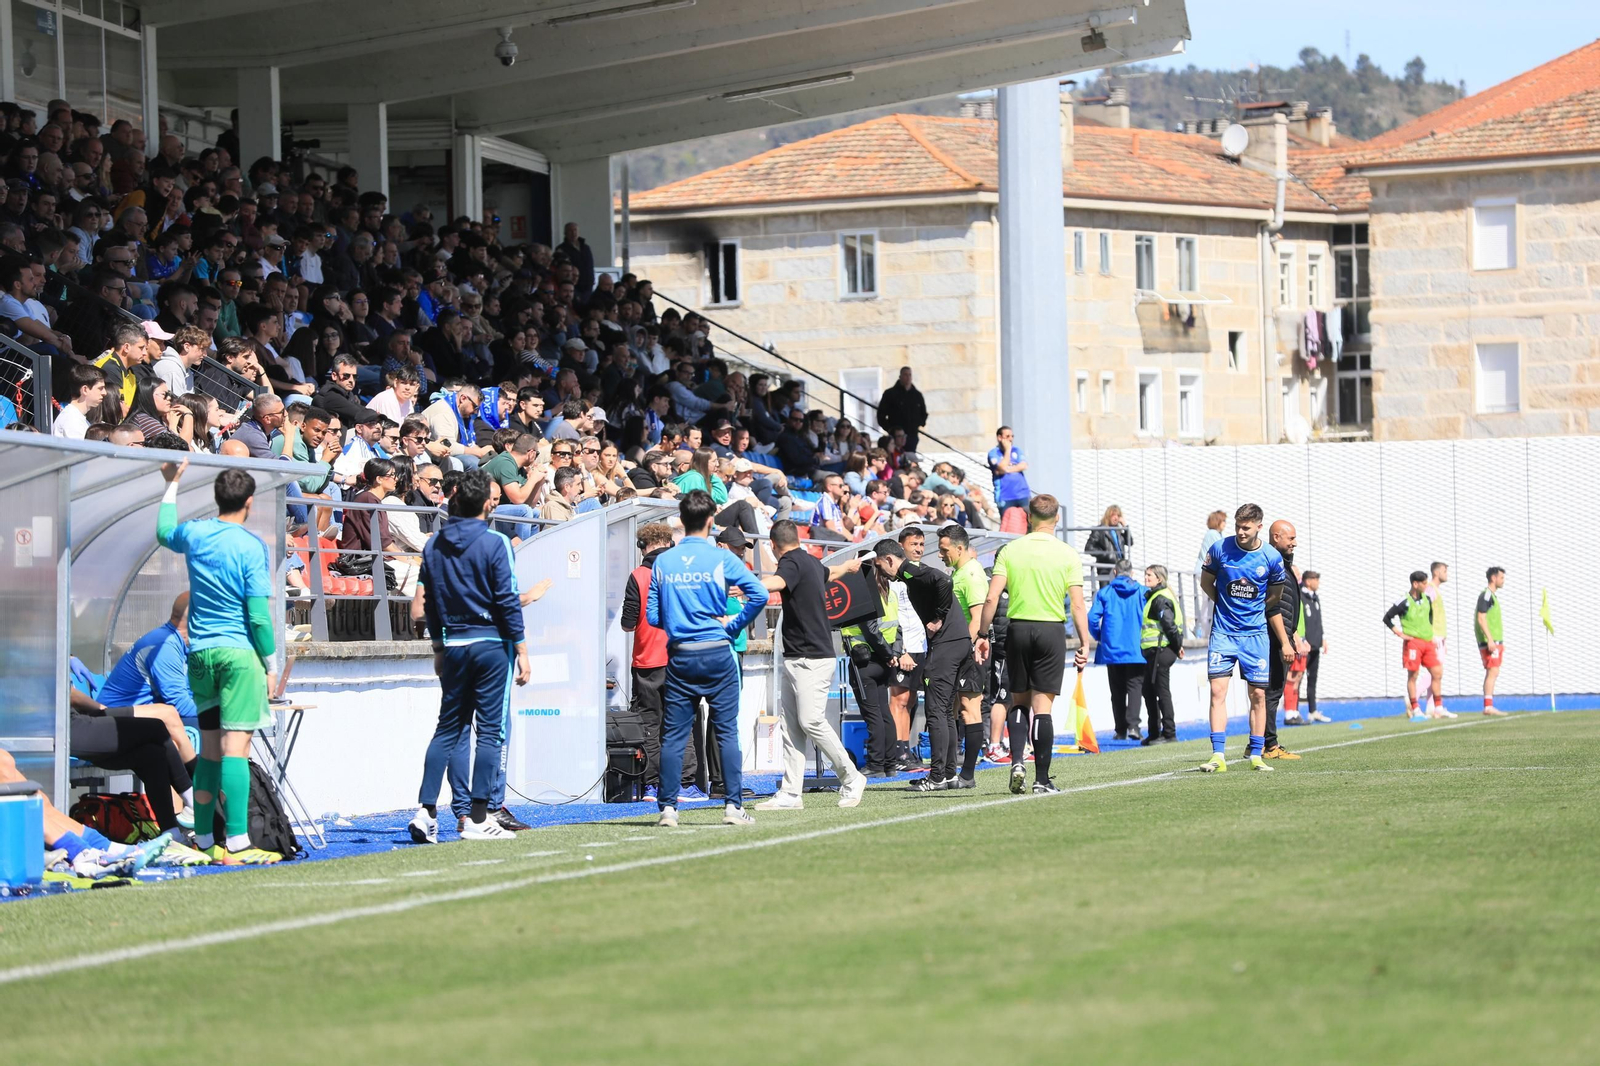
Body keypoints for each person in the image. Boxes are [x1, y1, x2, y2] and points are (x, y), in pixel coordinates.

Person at [155, 460, 282, 863]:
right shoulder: (250, 545)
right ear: (249, 502)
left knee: (209, 750)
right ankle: (240, 842)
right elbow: (259, 616)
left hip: (201, 655)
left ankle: (205, 838)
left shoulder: (195, 533)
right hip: (239, 655)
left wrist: (172, 484)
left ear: (216, 498)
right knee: (236, 750)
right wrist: (271, 663)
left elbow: (162, 532)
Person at [409, 469, 531, 844]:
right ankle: (478, 817)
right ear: (486, 503)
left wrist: (438, 647)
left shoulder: (434, 545)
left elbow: (427, 604)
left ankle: (426, 811)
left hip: (455, 644)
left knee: (447, 729)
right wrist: (523, 649)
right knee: (490, 732)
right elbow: (507, 600)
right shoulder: (496, 542)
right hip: (491, 644)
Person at [648, 490, 768, 828]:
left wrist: (678, 622)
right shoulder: (722, 558)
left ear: (681, 522)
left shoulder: (663, 561)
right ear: (712, 522)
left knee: (673, 735)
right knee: (727, 731)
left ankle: (668, 809)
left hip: (681, 655)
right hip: (717, 652)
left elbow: (653, 615)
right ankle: (732, 806)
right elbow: (758, 594)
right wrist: (733, 624)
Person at [979, 494, 1089, 794]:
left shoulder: (1011, 550)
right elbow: (1078, 606)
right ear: (1057, 519)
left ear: (1029, 518)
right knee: (1043, 708)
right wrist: (1085, 641)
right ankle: (1041, 779)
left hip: (1017, 629)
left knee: (1018, 701)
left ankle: (1016, 761)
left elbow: (991, 597)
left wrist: (981, 634)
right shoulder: (1067, 553)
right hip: (1050, 630)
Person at [754, 519, 868, 810]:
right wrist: (850, 568)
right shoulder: (811, 562)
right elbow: (834, 572)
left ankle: (852, 777)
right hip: (798, 657)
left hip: (810, 659)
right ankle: (791, 793)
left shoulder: (790, 562)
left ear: (773, 545)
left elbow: (777, 582)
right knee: (791, 728)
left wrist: (743, 586)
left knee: (810, 721)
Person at [1196, 503, 1293, 774]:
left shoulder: (1271, 558)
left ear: (1259, 527)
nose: (1240, 532)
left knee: (1259, 694)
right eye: (1238, 526)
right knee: (1217, 691)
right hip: (1223, 633)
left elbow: (1274, 596)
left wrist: (1255, 611)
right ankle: (1217, 755)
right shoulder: (1219, 549)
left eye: (1246, 528)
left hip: (1255, 635)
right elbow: (1206, 584)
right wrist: (1224, 605)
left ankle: (1256, 754)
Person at [882, 533, 973, 792]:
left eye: (880, 566)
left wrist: (939, 617)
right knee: (945, 711)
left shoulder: (909, 570)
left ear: (889, 559)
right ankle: (948, 774)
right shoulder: (909, 575)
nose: (881, 572)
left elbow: (944, 581)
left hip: (947, 645)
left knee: (935, 711)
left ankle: (936, 777)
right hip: (956, 642)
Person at [937, 524, 997, 788]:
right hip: (959, 649)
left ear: (959, 548)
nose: (940, 554)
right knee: (949, 711)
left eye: (943, 549)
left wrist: (961, 651)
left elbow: (976, 619)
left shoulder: (971, 574)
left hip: (969, 652)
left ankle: (968, 775)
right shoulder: (960, 572)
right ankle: (948, 772)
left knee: (969, 710)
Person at [838, 544, 904, 778]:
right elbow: (897, 627)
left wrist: (888, 654)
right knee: (883, 713)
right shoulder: (889, 591)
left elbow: (870, 628)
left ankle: (876, 764)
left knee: (873, 714)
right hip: (884, 661)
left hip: (864, 660)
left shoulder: (861, 593)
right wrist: (893, 654)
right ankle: (889, 763)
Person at [620, 522, 674, 801]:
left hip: (647, 660)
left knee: (650, 725)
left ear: (645, 545)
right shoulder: (681, 571)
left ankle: (651, 785)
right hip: (678, 656)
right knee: (680, 723)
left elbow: (628, 624)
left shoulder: (639, 575)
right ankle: (685, 783)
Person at [1087, 557, 1147, 742]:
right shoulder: (1142, 592)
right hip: (1136, 647)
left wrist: (1099, 636)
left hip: (1112, 648)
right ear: (1132, 573)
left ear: (1115, 572)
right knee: (1135, 687)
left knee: (1117, 690)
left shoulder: (1105, 592)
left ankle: (1120, 729)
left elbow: (1091, 618)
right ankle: (1134, 726)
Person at [1260, 520, 1305, 760]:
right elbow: (1272, 607)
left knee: (1268, 692)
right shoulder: (1272, 563)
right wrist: (1284, 641)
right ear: (1276, 537)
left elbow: (1288, 605)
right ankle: (1269, 745)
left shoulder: (1283, 564)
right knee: (1271, 692)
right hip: (1272, 639)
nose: (1295, 543)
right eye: (1291, 538)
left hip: (1282, 636)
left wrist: (1293, 633)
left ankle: (1257, 743)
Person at [1382, 570, 1452, 721]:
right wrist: (1399, 633)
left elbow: (1430, 617)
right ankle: (1415, 708)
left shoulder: (1427, 598)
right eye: (1424, 583)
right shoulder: (1404, 601)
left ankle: (1438, 708)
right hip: (1413, 643)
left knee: (1437, 672)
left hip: (1428, 642)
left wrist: (1431, 633)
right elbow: (1387, 618)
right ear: (1415, 584)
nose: (1427, 585)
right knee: (1413, 675)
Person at [887, 526, 929, 772]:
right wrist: (899, 650)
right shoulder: (893, 579)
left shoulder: (920, 574)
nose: (919, 549)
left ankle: (905, 748)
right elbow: (893, 617)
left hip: (920, 645)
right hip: (904, 647)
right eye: (914, 544)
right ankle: (898, 751)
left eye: (922, 544)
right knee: (899, 698)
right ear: (901, 546)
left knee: (911, 699)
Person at [1139, 565, 1184, 744]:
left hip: (1161, 650)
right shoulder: (1156, 597)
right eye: (1146, 574)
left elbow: (1169, 625)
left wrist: (1177, 645)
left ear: (1159, 578)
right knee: (1149, 691)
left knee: (1161, 691)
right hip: (1156, 651)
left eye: (1149, 575)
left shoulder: (1160, 599)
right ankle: (1154, 732)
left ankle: (1169, 733)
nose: (1146, 577)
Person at [1416, 561, 1450, 715]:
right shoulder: (1430, 589)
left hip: (1439, 638)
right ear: (1437, 573)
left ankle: (1431, 707)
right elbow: (1424, 611)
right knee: (1435, 672)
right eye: (1444, 570)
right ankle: (1413, 697)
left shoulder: (1435, 589)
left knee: (1436, 673)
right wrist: (1431, 636)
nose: (1446, 573)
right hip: (1434, 637)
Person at [1475, 567, 1509, 717]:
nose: (1503, 580)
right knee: (1493, 671)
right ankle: (1488, 706)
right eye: (1501, 577)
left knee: (1494, 670)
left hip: (1495, 640)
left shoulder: (1492, 596)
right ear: (1493, 578)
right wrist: (1490, 639)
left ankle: (1489, 705)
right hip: (1490, 640)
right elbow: (1481, 618)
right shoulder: (1486, 595)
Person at [1298, 570, 1330, 723]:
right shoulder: (1300, 597)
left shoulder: (1315, 598)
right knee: (1297, 677)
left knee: (1313, 678)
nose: (1318, 582)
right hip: (1304, 645)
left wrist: (1323, 638)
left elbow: (1318, 621)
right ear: (1308, 581)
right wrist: (1302, 640)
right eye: (1316, 579)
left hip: (1316, 644)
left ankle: (1312, 710)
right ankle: (1293, 711)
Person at [876, 366, 927, 453]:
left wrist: (918, 424)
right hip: (895, 437)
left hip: (911, 435)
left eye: (910, 375)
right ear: (900, 377)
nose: (908, 377)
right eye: (905, 375)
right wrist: (890, 429)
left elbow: (923, 413)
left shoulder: (917, 395)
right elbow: (881, 414)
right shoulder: (890, 394)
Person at [1194, 510, 1227, 640]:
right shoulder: (1213, 534)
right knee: (1208, 602)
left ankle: (1204, 629)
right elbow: (1222, 551)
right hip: (1207, 572)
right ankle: (1204, 631)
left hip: (1207, 571)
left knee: (1207, 602)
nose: (1225, 523)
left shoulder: (1215, 534)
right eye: (1223, 520)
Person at [52, 363, 105, 440]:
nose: (104, 392)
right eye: (100, 388)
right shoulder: (72, 421)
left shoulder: (76, 418)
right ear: (85, 390)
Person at [986, 426, 1030, 518]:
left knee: (1029, 522)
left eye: (1012, 436)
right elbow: (1001, 468)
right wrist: (1008, 450)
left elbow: (1024, 465)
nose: (1011, 439)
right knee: (1008, 525)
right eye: (1008, 436)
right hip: (1005, 496)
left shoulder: (1017, 450)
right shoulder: (993, 453)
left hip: (1023, 494)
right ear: (999, 438)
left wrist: (1007, 469)